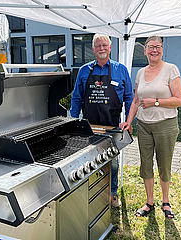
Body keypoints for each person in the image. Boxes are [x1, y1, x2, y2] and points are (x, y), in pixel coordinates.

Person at [120, 36, 181, 218]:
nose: (154, 50)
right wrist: (129, 120)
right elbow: (136, 101)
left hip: (165, 125)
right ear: (145, 50)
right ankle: (149, 202)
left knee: (164, 165)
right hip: (144, 126)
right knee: (145, 165)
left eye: (158, 47)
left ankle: (166, 201)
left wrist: (156, 102)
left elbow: (180, 100)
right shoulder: (140, 72)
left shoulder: (171, 69)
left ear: (162, 50)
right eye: (150, 47)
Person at [70, 33, 134, 208]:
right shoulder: (84, 70)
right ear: (93, 49)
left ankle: (113, 194)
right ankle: (90, 192)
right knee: (87, 162)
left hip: (112, 126)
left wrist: (129, 121)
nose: (102, 49)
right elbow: (76, 98)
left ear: (110, 47)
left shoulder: (120, 70)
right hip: (89, 126)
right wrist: (73, 121)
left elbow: (129, 97)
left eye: (104, 45)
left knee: (112, 163)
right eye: (98, 46)